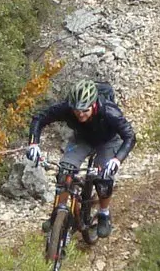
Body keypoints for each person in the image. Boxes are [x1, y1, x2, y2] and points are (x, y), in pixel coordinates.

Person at [27, 77, 135, 238]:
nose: (80, 114)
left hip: (109, 140)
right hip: (82, 139)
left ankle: (104, 214)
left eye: (85, 110)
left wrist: (116, 160)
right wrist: (33, 143)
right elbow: (40, 118)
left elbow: (130, 136)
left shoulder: (110, 111)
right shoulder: (67, 108)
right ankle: (58, 213)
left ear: (94, 104)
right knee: (65, 172)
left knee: (103, 178)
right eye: (77, 110)